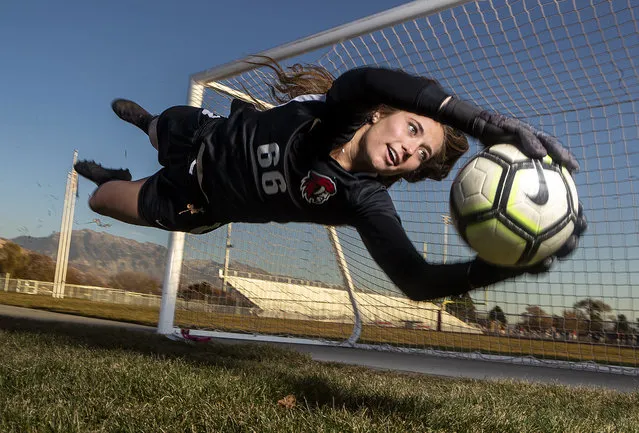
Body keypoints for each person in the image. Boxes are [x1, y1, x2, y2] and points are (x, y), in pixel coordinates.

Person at [75, 61, 586, 302]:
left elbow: (417, 281)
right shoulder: (333, 120)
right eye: (413, 128)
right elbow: (360, 82)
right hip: (207, 137)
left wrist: (509, 267)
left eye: (421, 154)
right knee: (161, 127)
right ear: (380, 113)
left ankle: (113, 178)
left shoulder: (364, 200)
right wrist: (482, 122)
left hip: (198, 201)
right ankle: (146, 125)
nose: (410, 147)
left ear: (411, 172)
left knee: (101, 200)